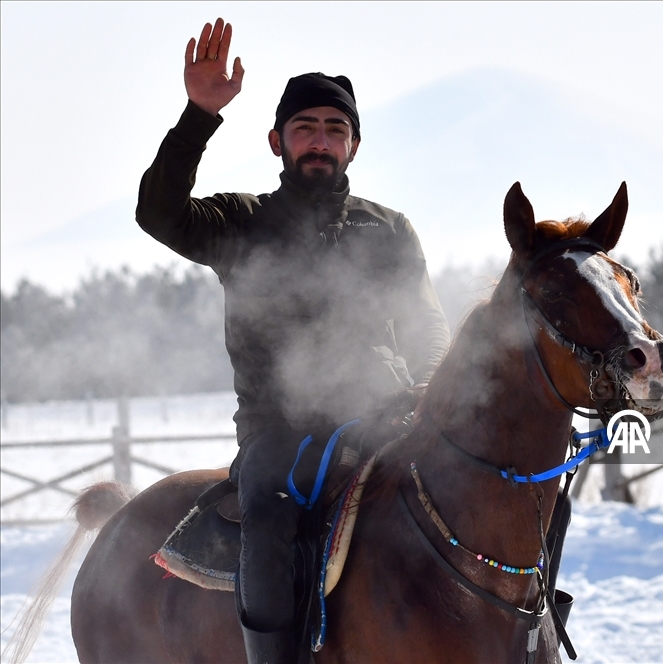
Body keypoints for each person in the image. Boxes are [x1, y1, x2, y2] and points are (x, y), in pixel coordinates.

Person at [136, 18, 450, 663]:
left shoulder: (389, 231)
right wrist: (198, 114)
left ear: (354, 147)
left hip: (386, 422)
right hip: (280, 436)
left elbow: (426, 327)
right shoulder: (241, 222)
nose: (320, 141)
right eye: (305, 127)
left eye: (336, 129)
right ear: (277, 140)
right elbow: (157, 214)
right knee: (273, 517)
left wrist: (429, 390)